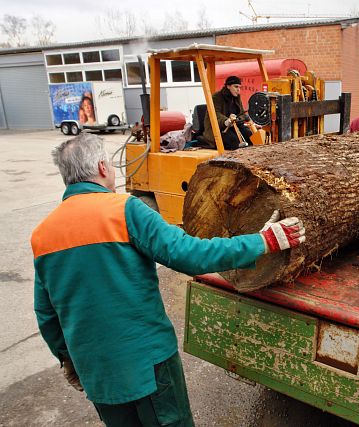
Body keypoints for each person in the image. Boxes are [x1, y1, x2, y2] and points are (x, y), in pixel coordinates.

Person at [31, 133, 305, 426]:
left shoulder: (43, 234)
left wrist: (67, 360)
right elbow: (189, 254)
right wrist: (262, 242)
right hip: (149, 365)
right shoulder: (124, 210)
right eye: (109, 164)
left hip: (97, 373)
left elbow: (46, 314)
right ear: (101, 167)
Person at [203, 75, 253, 150]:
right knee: (234, 140)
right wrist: (226, 121)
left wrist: (238, 119)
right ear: (228, 86)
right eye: (236, 87)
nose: (238, 90)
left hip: (234, 126)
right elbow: (215, 114)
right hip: (219, 128)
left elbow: (242, 113)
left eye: (239, 87)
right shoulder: (217, 97)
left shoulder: (237, 97)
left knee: (249, 135)